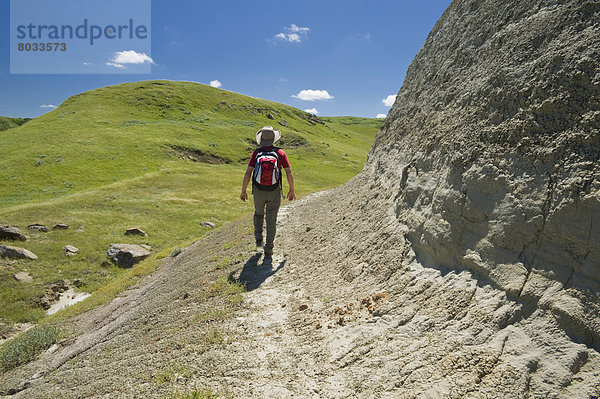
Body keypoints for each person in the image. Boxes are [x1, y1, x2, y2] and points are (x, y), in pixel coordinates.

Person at [240, 126, 296, 258]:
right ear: (274, 139)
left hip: (258, 190)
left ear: (261, 139)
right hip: (274, 190)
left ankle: (259, 241)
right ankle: (269, 249)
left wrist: (243, 191)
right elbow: (289, 172)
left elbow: (248, 172)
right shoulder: (280, 153)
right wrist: (291, 190)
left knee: (258, 214)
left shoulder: (256, 153)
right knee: (271, 220)